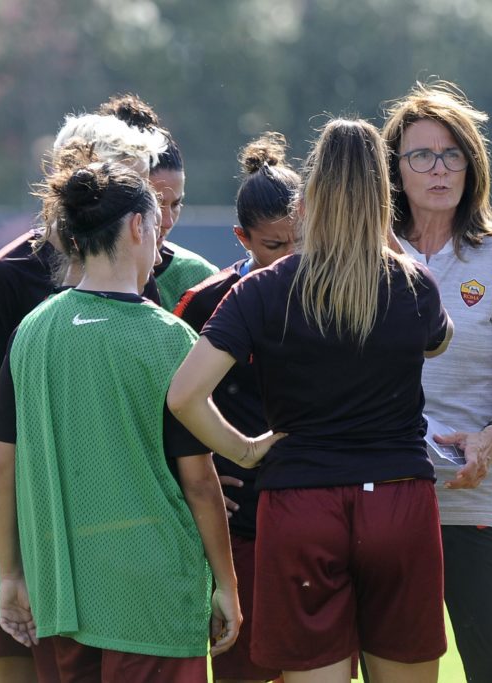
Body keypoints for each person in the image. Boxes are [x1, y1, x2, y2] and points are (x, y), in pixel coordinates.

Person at [167, 118, 453, 683]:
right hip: (398, 500)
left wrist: (245, 451)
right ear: (383, 195)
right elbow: (439, 341)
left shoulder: (263, 288)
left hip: (300, 507)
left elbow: (184, 395)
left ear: (309, 197)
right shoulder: (413, 285)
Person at [0, 160, 240, 681]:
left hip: (60, 590)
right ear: (137, 227)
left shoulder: (32, 332)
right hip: (154, 592)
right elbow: (198, 481)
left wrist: (11, 575)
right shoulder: (170, 338)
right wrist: (227, 586)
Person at [0, 111, 166, 683]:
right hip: (25, 517)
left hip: (117, 523)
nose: (142, 203)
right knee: (20, 660)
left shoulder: (143, 271)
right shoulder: (6, 275)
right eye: (130, 178)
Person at [380, 81, 492, 683]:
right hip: (387, 493)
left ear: (473, 166)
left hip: (478, 498)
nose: (438, 169)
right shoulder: (370, 257)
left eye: (452, 154)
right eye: (421, 155)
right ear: (395, 169)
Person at [173, 131, 300, 683]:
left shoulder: (343, 293)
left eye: (302, 241)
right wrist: (198, 479)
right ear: (241, 237)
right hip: (240, 530)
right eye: (274, 246)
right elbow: (173, 407)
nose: (290, 258)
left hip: (317, 515)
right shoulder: (204, 302)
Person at [99, 94, 219, 310]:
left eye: (176, 204)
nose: (167, 221)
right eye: (155, 203)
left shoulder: (202, 280)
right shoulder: (65, 275)